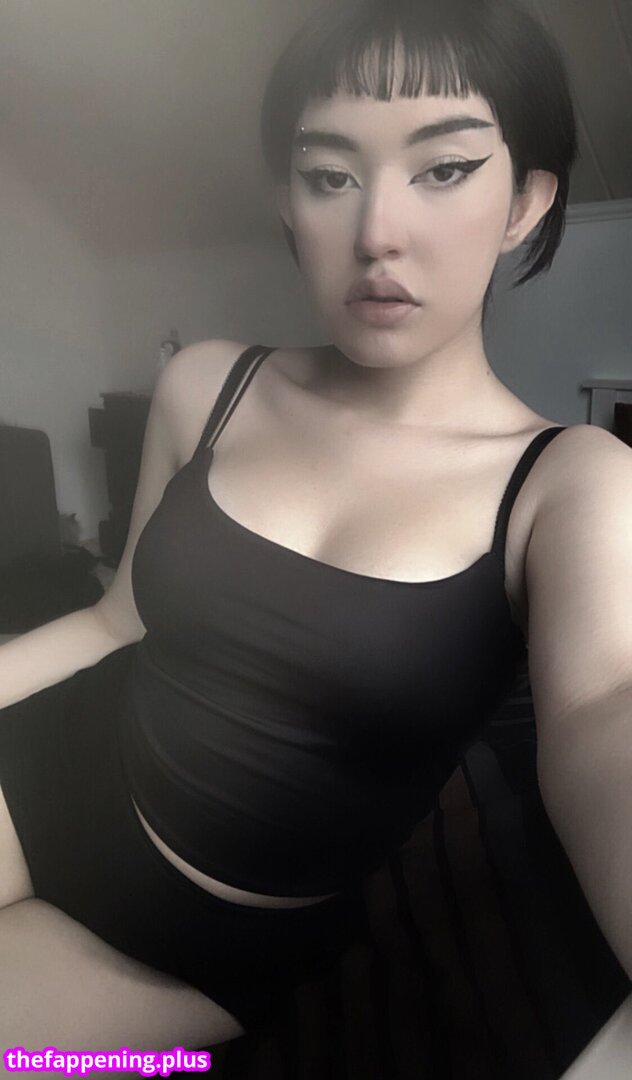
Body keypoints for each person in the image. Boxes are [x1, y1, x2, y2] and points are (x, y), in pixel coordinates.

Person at [0, 0, 631, 1074]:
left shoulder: (569, 483)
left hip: (201, 938)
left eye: (443, 169)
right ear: (286, 198)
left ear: (525, 200)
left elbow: (605, 710)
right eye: (330, 174)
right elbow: (115, 621)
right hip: (62, 760)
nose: (377, 230)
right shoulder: (206, 382)